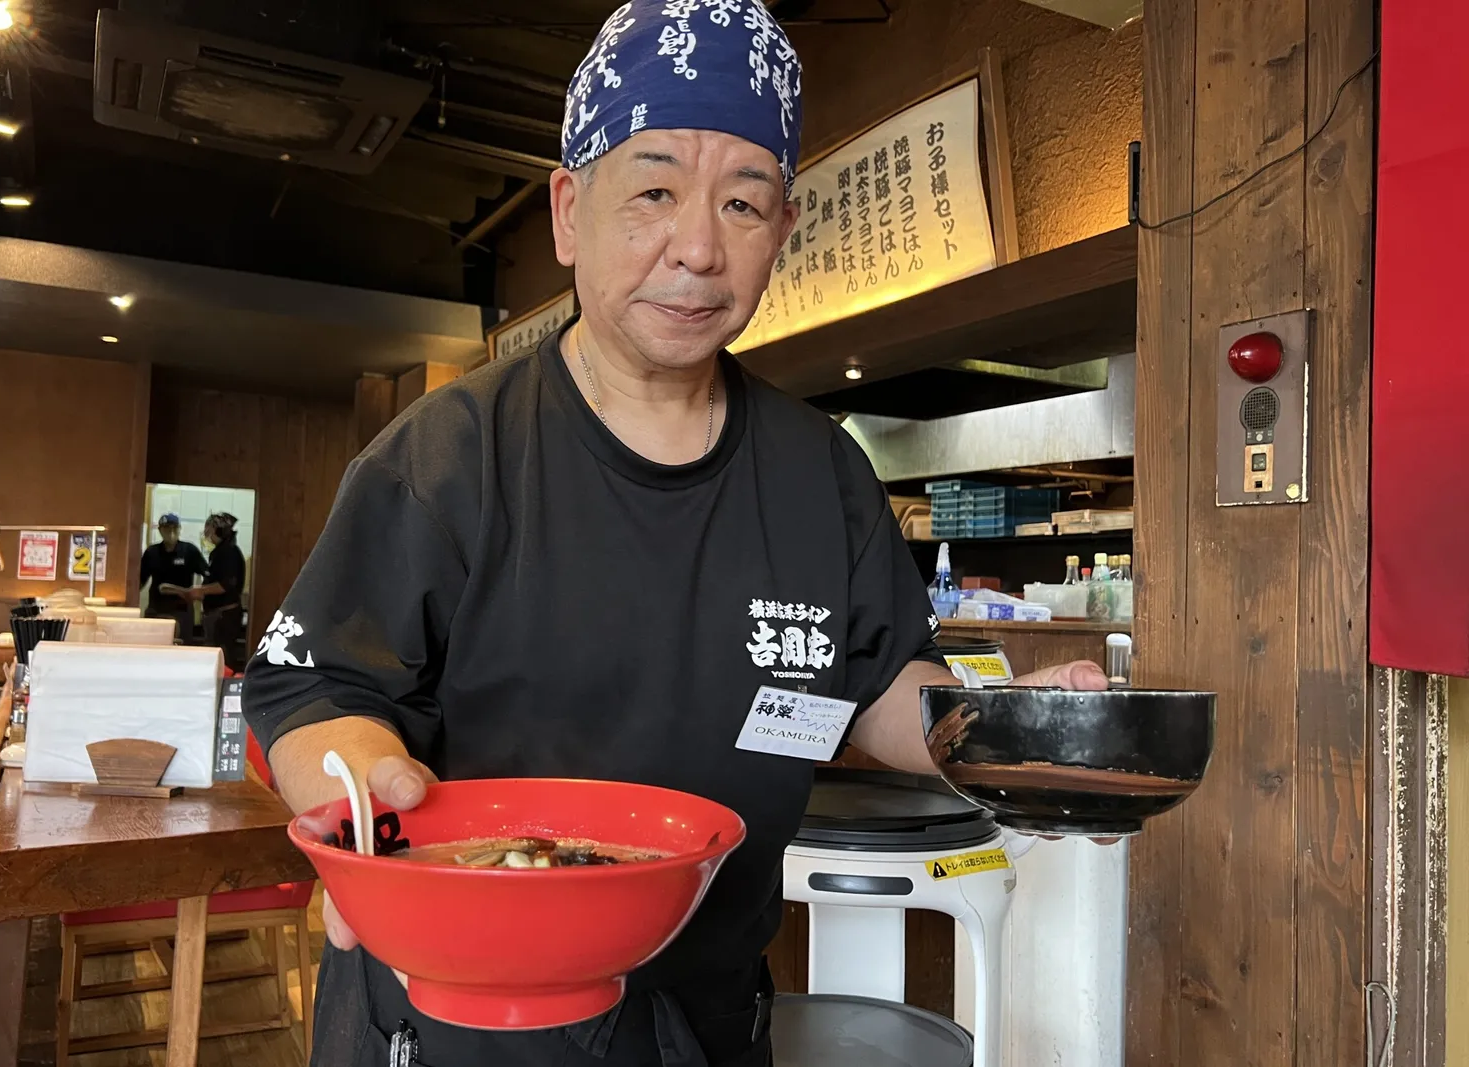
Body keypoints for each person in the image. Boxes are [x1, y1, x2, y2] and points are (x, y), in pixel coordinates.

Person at [243, 5, 1107, 1064]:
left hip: (705, 1011)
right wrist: (365, 809)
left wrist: (1014, 737)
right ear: (568, 211)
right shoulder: (449, 453)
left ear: (781, 233)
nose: (697, 248)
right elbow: (314, 683)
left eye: (743, 203)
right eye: (653, 190)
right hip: (462, 1005)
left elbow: (880, 683)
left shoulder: (817, 468)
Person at [186, 512, 247, 671]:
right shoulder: (221, 552)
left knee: (222, 659)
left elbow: (225, 585)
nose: (206, 534)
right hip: (217, 615)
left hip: (223, 617)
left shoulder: (229, 553)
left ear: (217, 531)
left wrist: (202, 590)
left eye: (209, 530)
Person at [138, 513, 206, 642]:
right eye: (167, 528)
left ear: (179, 529)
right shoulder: (152, 552)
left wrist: (199, 594)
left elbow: (207, 574)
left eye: (174, 528)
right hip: (156, 608)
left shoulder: (189, 550)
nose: (171, 532)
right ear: (160, 530)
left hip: (182, 610)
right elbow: (140, 581)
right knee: (152, 645)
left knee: (182, 646)